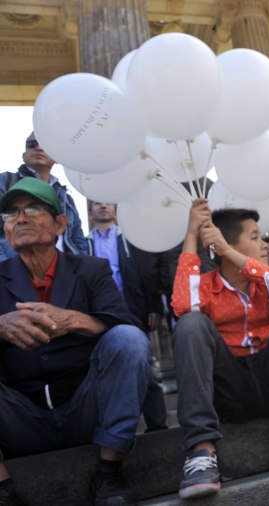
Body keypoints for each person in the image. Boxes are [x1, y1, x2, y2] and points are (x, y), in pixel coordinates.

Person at [0, 178, 153, 505]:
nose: (20, 219)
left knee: (128, 340)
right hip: (18, 418)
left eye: (32, 209)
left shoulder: (91, 269)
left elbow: (126, 323)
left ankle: (109, 473)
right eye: (11, 215)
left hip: (85, 408)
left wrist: (71, 319)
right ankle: (4, 491)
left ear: (60, 224)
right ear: (6, 231)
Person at [170, 200, 269, 500]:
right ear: (222, 242)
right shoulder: (207, 286)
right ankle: (201, 451)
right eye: (254, 237)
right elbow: (183, 306)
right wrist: (192, 234)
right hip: (231, 391)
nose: (263, 244)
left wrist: (230, 252)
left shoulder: (266, 280)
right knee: (191, 324)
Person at [86, 201, 168, 432]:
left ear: (116, 210)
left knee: (146, 367)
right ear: (90, 212)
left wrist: (154, 307)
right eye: (97, 204)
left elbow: (147, 273)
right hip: (99, 315)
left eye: (108, 204)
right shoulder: (84, 244)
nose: (103, 207)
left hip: (132, 311)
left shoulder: (130, 239)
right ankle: (113, 429)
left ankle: (157, 424)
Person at [0, 132, 87, 261]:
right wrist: (6, 269)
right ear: (24, 156)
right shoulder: (5, 182)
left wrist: (79, 271)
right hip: (19, 272)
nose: (39, 148)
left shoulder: (66, 198)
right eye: (32, 144)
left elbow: (78, 239)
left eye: (46, 145)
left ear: (57, 158)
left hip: (64, 273)